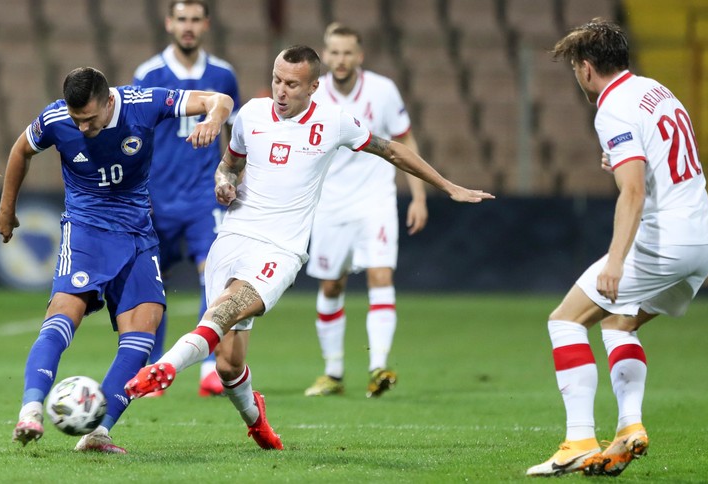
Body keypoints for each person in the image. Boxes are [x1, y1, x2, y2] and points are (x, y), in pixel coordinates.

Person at [124, 45, 493, 450]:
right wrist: (223, 183)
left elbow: (391, 149)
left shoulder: (333, 122)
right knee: (229, 364)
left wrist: (448, 186)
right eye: (276, 80)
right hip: (233, 238)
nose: (281, 91)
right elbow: (229, 163)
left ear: (314, 87)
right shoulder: (251, 115)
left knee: (223, 310)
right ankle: (257, 421)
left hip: (281, 249)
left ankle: (164, 368)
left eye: (292, 84)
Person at [0, 67, 233, 453]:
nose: (83, 127)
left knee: (143, 333)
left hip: (138, 233)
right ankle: (31, 410)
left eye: (90, 118)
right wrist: (7, 210)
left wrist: (213, 119)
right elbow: (21, 148)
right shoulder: (56, 118)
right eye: (77, 120)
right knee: (63, 314)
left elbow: (217, 100)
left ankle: (98, 433)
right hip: (86, 229)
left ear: (108, 102)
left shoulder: (143, 103)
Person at [526, 19, 708, 477]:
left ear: (587, 68)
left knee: (565, 320)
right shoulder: (656, 90)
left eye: (576, 67)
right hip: (704, 240)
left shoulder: (611, 109)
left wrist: (615, 261)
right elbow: (661, 158)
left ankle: (578, 440)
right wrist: (620, 160)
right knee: (619, 323)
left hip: (665, 241)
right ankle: (629, 428)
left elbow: (631, 192)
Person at [303, 23, 427, 399]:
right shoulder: (313, 95)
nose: (341, 60)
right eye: (334, 52)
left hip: (376, 199)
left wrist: (418, 196)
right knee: (332, 284)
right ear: (326, 56)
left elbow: (404, 138)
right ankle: (333, 372)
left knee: (379, 274)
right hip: (329, 203)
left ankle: (379, 367)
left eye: (347, 53)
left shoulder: (383, 90)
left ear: (360, 56)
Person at [132, 0, 241, 398]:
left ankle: (209, 366)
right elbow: (135, 134)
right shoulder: (148, 74)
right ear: (169, 24)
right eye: (182, 19)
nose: (188, 27)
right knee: (151, 283)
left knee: (214, 276)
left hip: (203, 196)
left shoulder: (223, 75)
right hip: (156, 195)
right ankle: (152, 365)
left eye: (195, 19)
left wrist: (231, 175)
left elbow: (235, 134)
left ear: (206, 24)